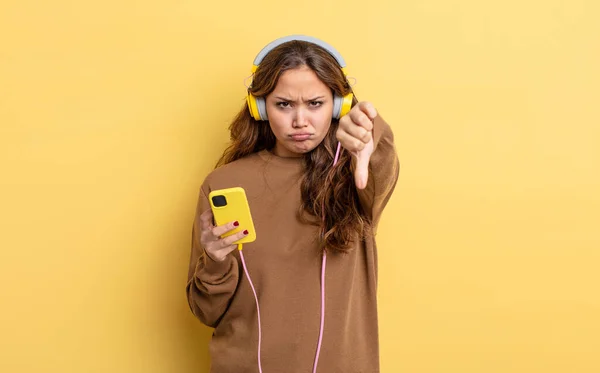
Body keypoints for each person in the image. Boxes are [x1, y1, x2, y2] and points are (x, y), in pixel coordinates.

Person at [186, 35, 400, 373]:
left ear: (337, 105)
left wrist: (369, 141)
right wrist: (214, 261)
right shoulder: (224, 184)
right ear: (259, 107)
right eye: (284, 104)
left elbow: (380, 161)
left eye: (315, 103)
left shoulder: (356, 175)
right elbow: (207, 312)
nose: (300, 121)